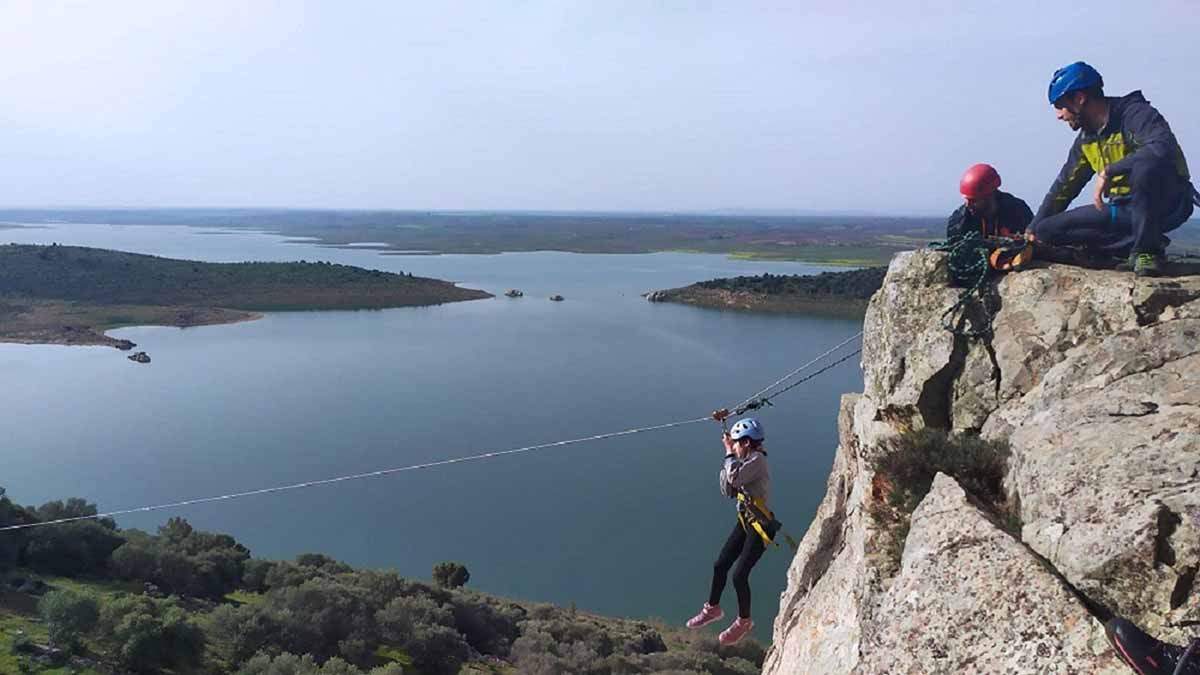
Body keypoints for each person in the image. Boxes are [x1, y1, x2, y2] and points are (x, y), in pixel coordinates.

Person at [1029, 61, 1200, 277]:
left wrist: (1109, 170)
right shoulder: (1086, 138)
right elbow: (1064, 187)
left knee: (1144, 166)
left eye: (1060, 106)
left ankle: (1147, 251)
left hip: (1167, 204)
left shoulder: (1136, 114)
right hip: (1123, 209)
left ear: (1080, 99)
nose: (1059, 115)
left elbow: (1161, 148)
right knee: (1047, 230)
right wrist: (1031, 231)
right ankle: (1125, 247)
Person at [686, 417, 772, 646]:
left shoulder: (757, 460)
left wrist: (727, 453)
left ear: (745, 442)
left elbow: (735, 477)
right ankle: (712, 608)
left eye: (735, 443)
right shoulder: (744, 460)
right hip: (746, 519)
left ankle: (744, 621)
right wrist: (728, 461)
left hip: (760, 525)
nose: (732, 446)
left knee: (739, 575)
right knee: (720, 565)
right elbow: (729, 489)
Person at [947, 163, 1033, 241]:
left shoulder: (1018, 211)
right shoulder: (959, 222)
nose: (968, 205)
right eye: (967, 200)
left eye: (974, 200)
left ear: (989, 196)